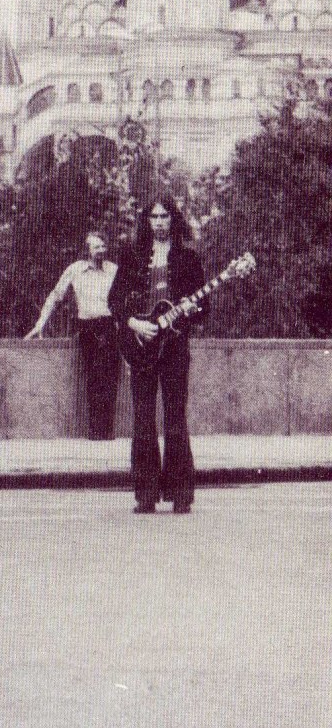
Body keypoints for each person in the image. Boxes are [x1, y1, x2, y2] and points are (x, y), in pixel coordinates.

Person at [108, 199, 205, 515]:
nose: (160, 222)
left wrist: (188, 312)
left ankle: (180, 494)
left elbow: (204, 308)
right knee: (143, 418)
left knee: (176, 417)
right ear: (147, 220)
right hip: (141, 346)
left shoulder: (189, 258)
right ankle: (145, 494)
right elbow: (115, 300)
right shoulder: (132, 256)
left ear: (173, 220)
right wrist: (135, 323)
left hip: (175, 347)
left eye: (165, 216)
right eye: (154, 216)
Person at [24, 232, 120, 439]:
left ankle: (108, 431)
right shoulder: (75, 270)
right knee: (94, 377)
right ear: (87, 251)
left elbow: (126, 300)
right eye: (96, 247)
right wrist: (40, 323)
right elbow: (55, 296)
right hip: (88, 327)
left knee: (111, 377)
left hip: (111, 326)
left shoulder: (114, 270)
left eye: (103, 245)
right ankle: (96, 431)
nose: (101, 250)